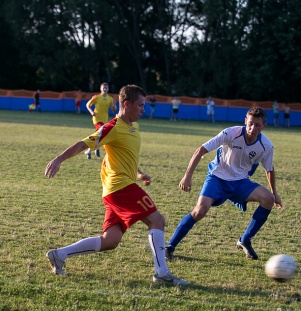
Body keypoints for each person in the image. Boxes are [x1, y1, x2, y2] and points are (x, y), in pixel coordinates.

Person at [44, 84, 188, 285]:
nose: (143, 109)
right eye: (139, 105)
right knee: (157, 221)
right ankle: (161, 273)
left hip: (116, 189)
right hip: (121, 188)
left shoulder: (133, 126)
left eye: (144, 105)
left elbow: (122, 156)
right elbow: (83, 144)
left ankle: (59, 255)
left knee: (110, 241)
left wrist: (139, 173)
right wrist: (59, 159)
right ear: (126, 104)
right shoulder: (113, 127)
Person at [165, 107, 283, 261]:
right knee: (200, 211)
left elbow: (269, 169)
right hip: (217, 178)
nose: (253, 128)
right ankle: (169, 247)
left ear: (264, 126)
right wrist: (187, 176)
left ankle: (245, 240)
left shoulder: (266, 146)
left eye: (257, 125)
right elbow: (200, 150)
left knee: (268, 199)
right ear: (245, 122)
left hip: (240, 183)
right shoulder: (230, 133)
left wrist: (274, 193)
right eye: (250, 124)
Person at [85, 82, 116, 159]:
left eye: (106, 88)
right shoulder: (96, 97)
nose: (105, 89)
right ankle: (95, 149)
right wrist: (92, 112)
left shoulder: (110, 99)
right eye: (103, 88)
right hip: (97, 119)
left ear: (108, 89)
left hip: (104, 119)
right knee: (101, 134)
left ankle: (89, 151)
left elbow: (113, 109)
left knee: (98, 135)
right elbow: (87, 105)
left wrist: (115, 106)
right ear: (100, 89)